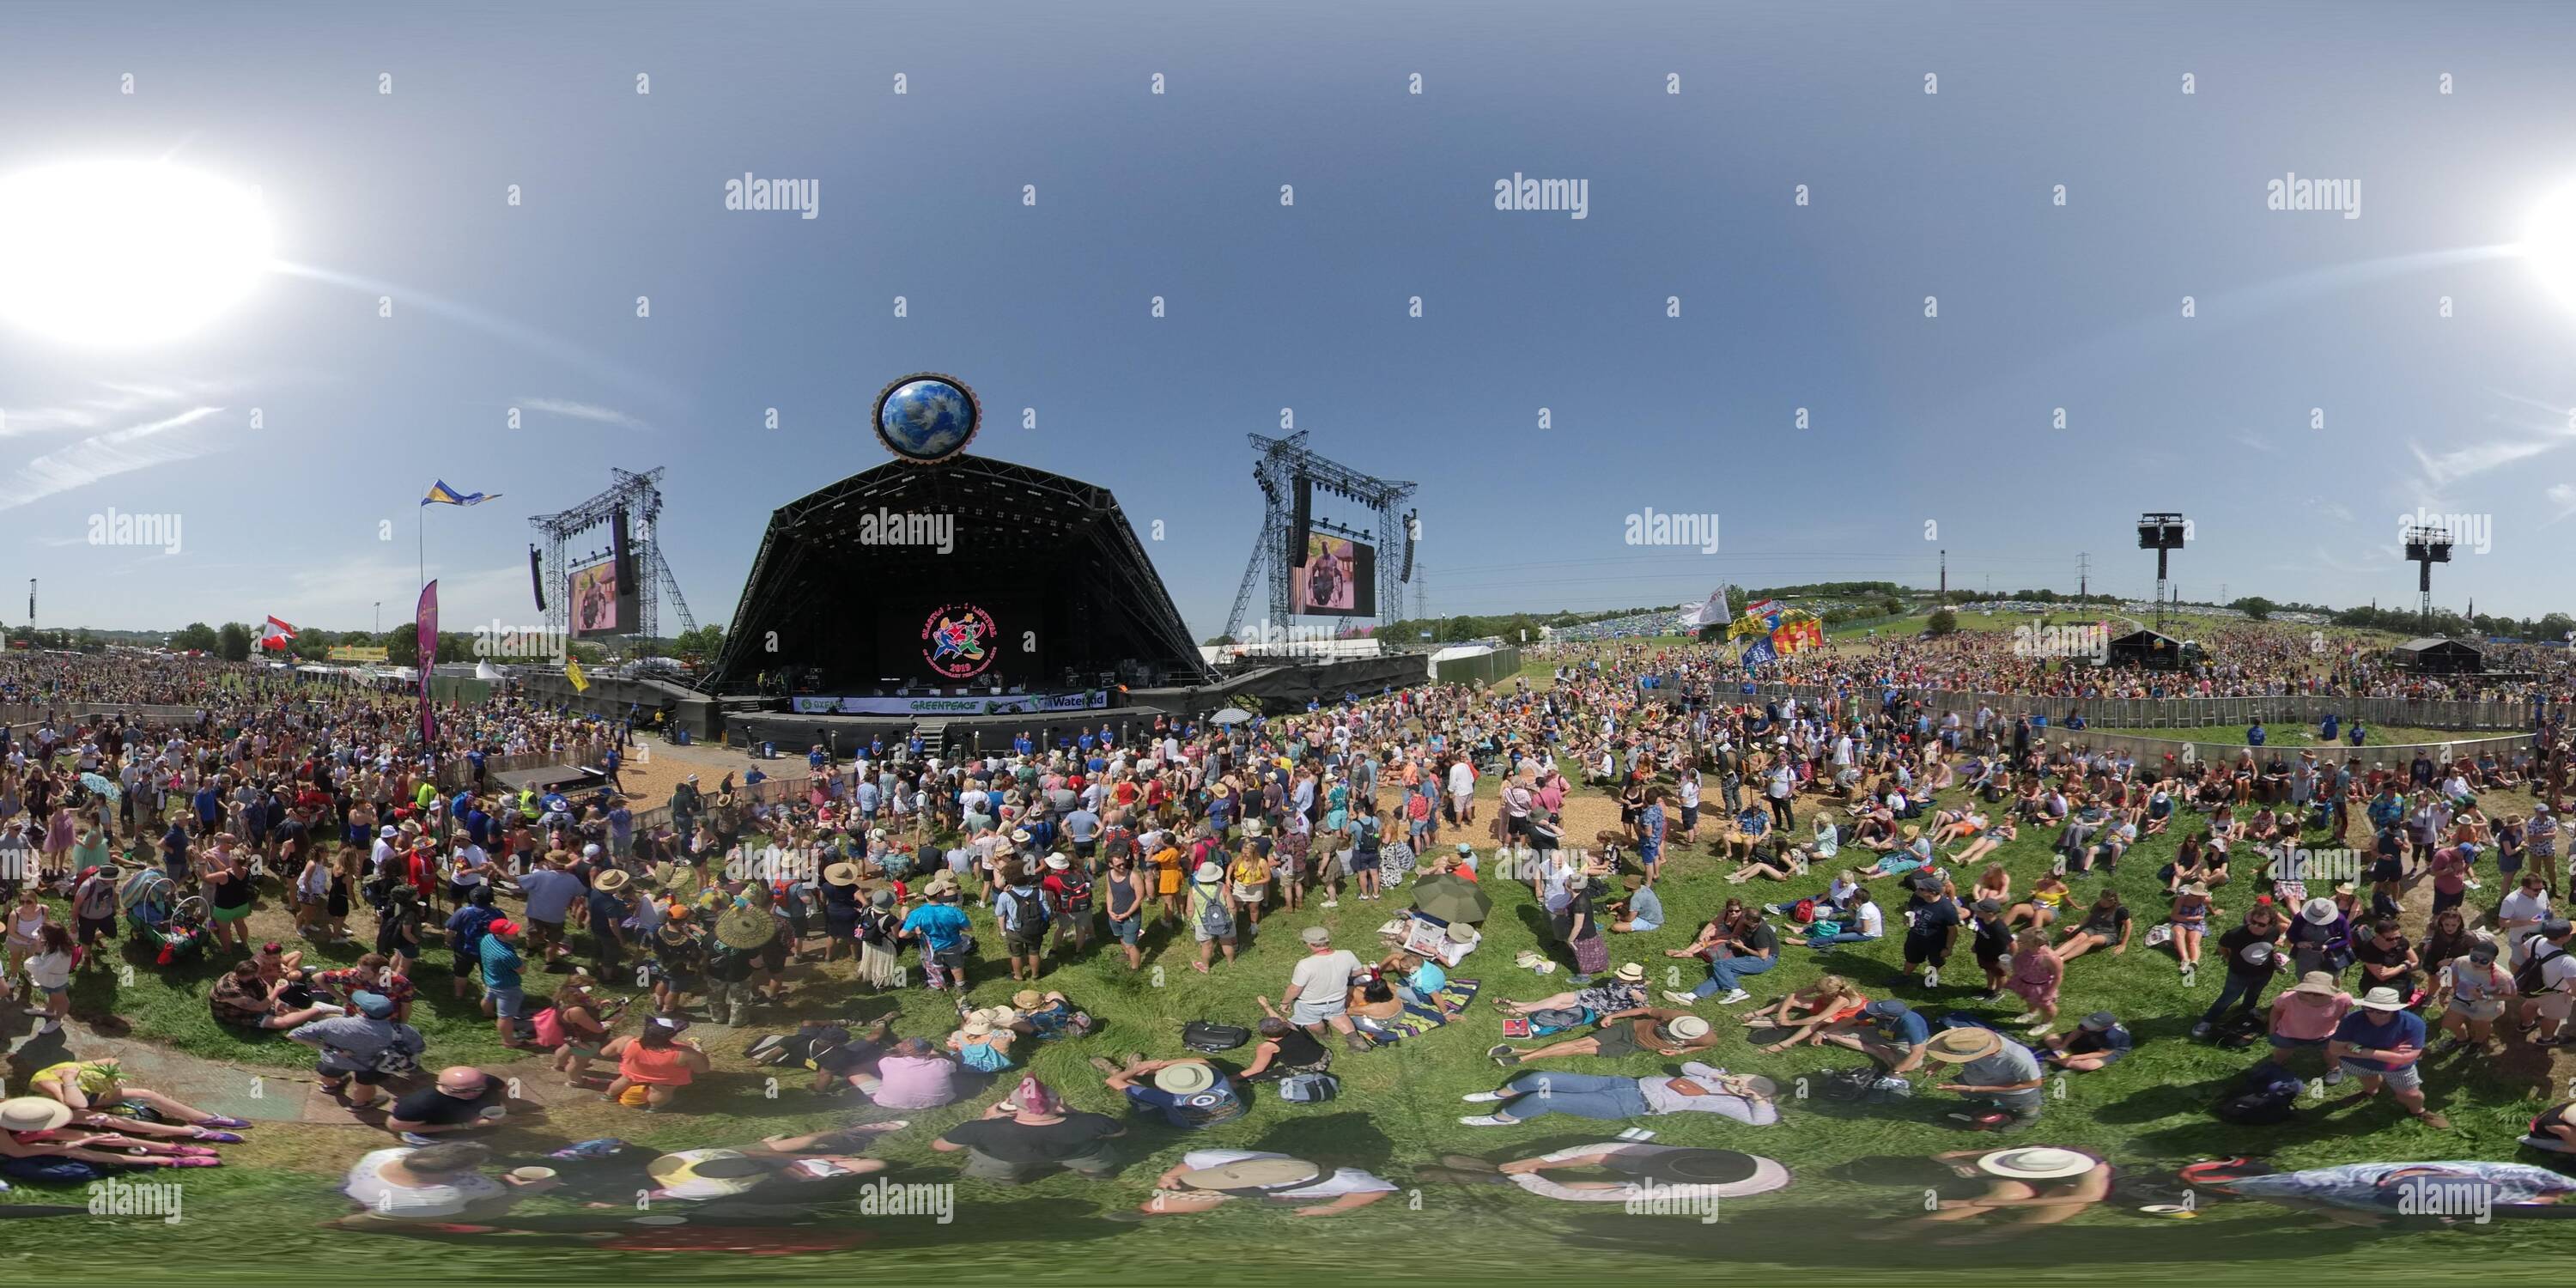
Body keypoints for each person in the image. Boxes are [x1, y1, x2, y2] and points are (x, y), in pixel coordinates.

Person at [930, 1076, 1122, 1184]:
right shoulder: (1092, 1122)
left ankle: (1006, 1180)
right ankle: (1093, 1173)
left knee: (997, 1171)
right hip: (1077, 1155)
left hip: (1006, 1160)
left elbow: (941, 1147)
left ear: (1012, 1104)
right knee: (1095, 1160)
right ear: (1058, 1103)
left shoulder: (978, 1129)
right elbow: (1120, 1133)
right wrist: (1074, 1113)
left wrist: (986, 1118)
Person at [1459, 1062, 1778, 1126]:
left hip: (1629, 1103)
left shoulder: (1731, 1103)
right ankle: (1499, 1093)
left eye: (1742, 1083)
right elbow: (1687, 1065)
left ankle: (1503, 1118)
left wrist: (1756, 1098)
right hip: (1622, 1081)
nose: (1736, 1082)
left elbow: (1761, 1121)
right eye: (1740, 1077)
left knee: (1546, 1098)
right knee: (1542, 1077)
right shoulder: (1718, 1078)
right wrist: (1719, 1075)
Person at [336, 1140, 556, 1226]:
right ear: (459, 1171)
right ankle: (345, 1224)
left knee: (366, 1212)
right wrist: (520, 1193)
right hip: (405, 1211)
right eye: (475, 1166)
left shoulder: (384, 1154)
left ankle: (342, 1221)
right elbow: (494, 1202)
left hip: (355, 1189)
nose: (478, 1169)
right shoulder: (456, 1192)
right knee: (484, 1213)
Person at [1128, 1151, 1396, 1218]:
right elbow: (1194, 1161)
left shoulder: (1345, 1179)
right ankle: (1145, 1213)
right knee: (1158, 1203)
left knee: (1157, 1205)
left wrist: (1328, 1210)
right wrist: (1171, 1176)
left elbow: (1377, 1190)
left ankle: (1146, 1213)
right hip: (1227, 1184)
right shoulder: (1226, 1160)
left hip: (1262, 1192)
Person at [2329, 986, 2447, 1128]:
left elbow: (2406, 1058)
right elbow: (2335, 1049)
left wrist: (2359, 1050)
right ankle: (2370, 1092)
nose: (2374, 1014)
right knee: (2368, 1079)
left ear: (2395, 1009)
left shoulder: (2413, 1024)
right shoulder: (2352, 1020)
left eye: (2382, 1011)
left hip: (2397, 1068)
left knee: (2411, 1094)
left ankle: (2418, 1111)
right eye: (2369, 1009)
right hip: (2360, 1063)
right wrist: (2389, 1053)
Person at [289, 992, 426, 1112]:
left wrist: (329, 1048)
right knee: (364, 1085)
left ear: (360, 1010)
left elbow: (294, 1035)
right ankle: (360, 1104)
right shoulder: (402, 1030)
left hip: (335, 1060)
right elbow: (419, 1047)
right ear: (391, 1012)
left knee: (330, 1073)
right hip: (371, 1066)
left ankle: (329, 1087)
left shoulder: (333, 1023)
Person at [1489, 1009, 1715, 1066]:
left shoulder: (1706, 1038)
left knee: (1578, 1049)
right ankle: (1520, 1060)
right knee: (1581, 1042)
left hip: (1636, 1047)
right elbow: (1642, 1010)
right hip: (1629, 1029)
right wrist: (1613, 1016)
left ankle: (1519, 1051)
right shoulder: (1675, 1015)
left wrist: (1681, 1051)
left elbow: (1705, 1047)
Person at [1923, 1027, 2045, 1133]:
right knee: (1975, 1094)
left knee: (2024, 1106)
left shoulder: (2018, 1059)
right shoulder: (1970, 1038)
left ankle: (2028, 1118)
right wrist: (1941, 1062)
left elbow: (2034, 1083)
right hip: (1978, 1078)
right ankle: (1989, 1101)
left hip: (2012, 1090)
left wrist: (1974, 1089)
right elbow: (1958, 1051)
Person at [1274, 925, 1370, 1053]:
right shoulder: (1347, 954)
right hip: (1338, 998)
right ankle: (1355, 1040)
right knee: (1339, 1016)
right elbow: (1358, 972)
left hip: (1311, 1003)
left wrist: (1285, 1003)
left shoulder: (1305, 964)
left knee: (1313, 1022)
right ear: (1327, 941)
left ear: (1309, 944)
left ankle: (1325, 1035)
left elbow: (1295, 989)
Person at [1735, 975, 1868, 1054]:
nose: (1815, 991)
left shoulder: (1841, 999)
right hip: (1829, 1005)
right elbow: (1793, 995)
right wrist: (1782, 1014)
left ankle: (1786, 1043)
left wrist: (1790, 1022)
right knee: (1797, 1002)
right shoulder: (1826, 986)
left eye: (1819, 992)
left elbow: (1817, 1018)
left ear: (1829, 993)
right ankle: (1755, 1014)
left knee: (1819, 1022)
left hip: (1848, 1015)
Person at [1105, 1058, 1246, 1129]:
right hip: (1236, 1113)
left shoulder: (1167, 1098)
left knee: (1134, 1091)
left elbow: (1113, 1081)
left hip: (1192, 1125)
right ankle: (1137, 1069)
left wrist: (1146, 1067)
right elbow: (1201, 1061)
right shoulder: (1219, 1079)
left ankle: (1127, 1071)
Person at [2265, 970, 2353, 1082]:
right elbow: (2276, 1011)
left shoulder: (2342, 999)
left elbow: (2344, 1014)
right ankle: (2276, 1065)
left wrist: (2343, 1033)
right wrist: (2272, 1029)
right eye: (2307, 992)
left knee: (2331, 1052)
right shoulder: (2287, 998)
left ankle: (2334, 1069)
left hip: (2326, 1034)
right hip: (2289, 1033)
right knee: (2282, 1051)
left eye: (2318, 993)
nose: (2312, 996)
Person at [2431, 939, 2515, 1053]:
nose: (2477, 963)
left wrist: (2486, 997)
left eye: (2484, 961)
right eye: (2474, 958)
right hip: (2461, 999)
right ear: (2470, 953)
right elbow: (2451, 977)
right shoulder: (2461, 962)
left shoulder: (2503, 976)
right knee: (2449, 1024)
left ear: (2493, 960)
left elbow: (2511, 995)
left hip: (2486, 1007)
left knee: (2480, 1027)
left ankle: (2477, 1042)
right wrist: (2443, 993)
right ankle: (2462, 1039)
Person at [386, 1066, 510, 1142]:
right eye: (460, 1091)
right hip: (435, 1138)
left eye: (478, 1089)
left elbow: (504, 1089)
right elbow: (395, 1126)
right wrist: (465, 1125)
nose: (471, 1094)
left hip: (476, 1129)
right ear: (441, 1085)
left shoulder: (489, 1081)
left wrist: (510, 1107)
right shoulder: (419, 1104)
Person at [1820, 998, 1933, 1074]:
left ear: (1889, 1016)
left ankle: (1880, 1049)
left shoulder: (1911, 1024)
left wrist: (1896, 1072)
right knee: (1832, 1035)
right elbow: (1850, 1020)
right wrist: (1822, 1032)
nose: (1872, 1012)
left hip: (1902, 1042)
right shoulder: (1876, 1010)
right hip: (1877, 1033)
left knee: (1911, 1065)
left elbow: (1917, 1051)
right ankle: (1876, 1050)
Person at [1233, 1017, 1333, 1082]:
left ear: (1263, 1034)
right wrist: (1266, 1006)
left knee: (1253, 1077)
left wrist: (1231, 1078)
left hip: (1313, 1067)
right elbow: (1279, 1020)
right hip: (1325, 1055)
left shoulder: (1267, 1047)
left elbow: (1258, 1069)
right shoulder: (1292, 1026)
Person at [2038, 1012, 2132, 1072]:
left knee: (2089, 1066)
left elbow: (2103, 1053)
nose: (2086, 1026)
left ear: (2105, 1027)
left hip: (2111, 1048)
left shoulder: (2112, 1036)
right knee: (2050, 1037)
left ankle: (2056, 1059)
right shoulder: (2088, 1025)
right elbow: (2078, 1032)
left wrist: (2076, 1057)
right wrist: (2064, 1044)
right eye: (2088, 1023)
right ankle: (2066, 1059)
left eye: (2091, 1026)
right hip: (2092, 1037)